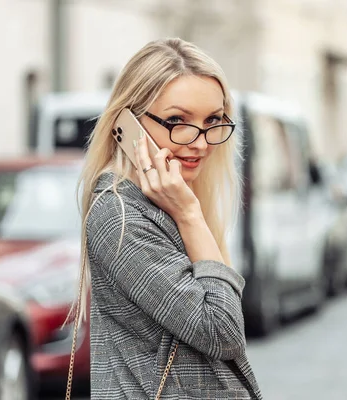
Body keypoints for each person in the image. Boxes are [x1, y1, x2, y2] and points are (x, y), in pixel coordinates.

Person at [73, 38, 263, 399]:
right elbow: (220, 330)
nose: (201, 143)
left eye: (212, 120)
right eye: (177, 120)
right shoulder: (120, 216)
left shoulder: (164, 200)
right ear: (125, 123)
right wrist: (191, 215)